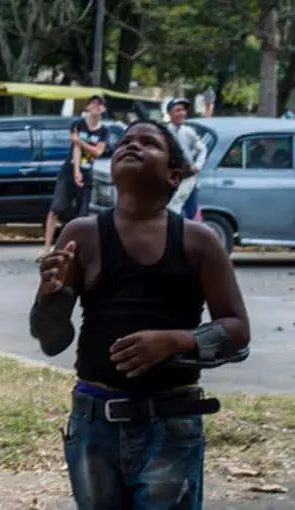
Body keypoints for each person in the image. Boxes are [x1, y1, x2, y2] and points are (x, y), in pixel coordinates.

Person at [29, 119, 251, 509]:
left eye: (148, 143)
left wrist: (174, 341)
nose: (131, 146)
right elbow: (52, 341)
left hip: (171, 424)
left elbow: (237, 330)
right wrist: (51, 294)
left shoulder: (199, 241)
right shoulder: (81, 235)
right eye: (125, 142)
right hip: (95, 423)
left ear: (173, 175)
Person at [41, 95, 109, 256]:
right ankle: (46, 247)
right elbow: (75, 150)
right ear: (87, 107)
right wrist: (76, 171)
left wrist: (80, 141)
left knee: (82, 215)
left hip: (88, 172)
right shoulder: (78, 124)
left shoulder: (104, 131)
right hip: (68, 171)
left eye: (100, 105)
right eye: (93, 104)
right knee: (55, 209)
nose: (96, 107)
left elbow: (98, 151)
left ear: (103, 109)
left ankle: (77, 250)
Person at [166, 98, 207, 220]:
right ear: (170, 114)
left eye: (183, 110)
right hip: (170, 179)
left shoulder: (189, 132)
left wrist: (197, 166)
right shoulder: (164, 132)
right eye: (177, 110)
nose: (181, 113)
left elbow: (202, 149)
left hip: (188, 178)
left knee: (191, 214)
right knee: (171, 212)